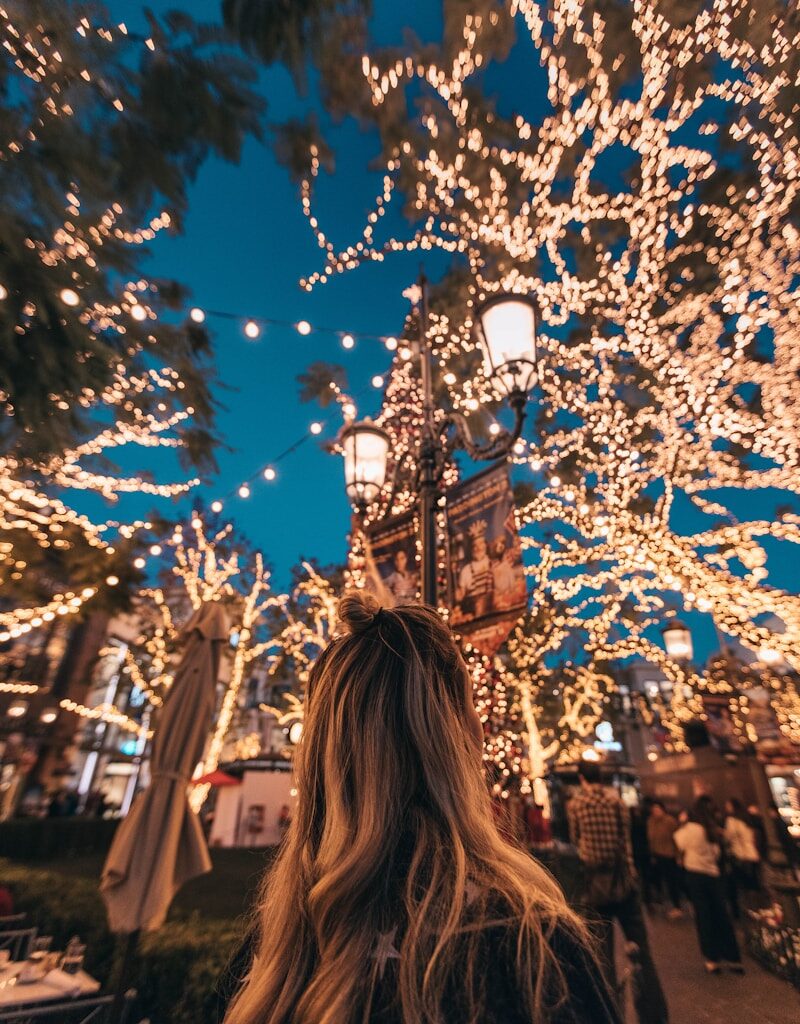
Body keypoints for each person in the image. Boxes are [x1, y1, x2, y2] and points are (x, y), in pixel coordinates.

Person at [223, 592, 619, 1024]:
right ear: (453, 737)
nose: (482, 728)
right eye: (472, 706)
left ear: (322, 755)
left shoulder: (271, 955)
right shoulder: (530, 947)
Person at [568, 761, 668, 1024]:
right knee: (642, 951)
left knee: (603, 957)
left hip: (596, 886)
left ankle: (610, 1013)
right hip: (623, 882)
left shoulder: (576, 805)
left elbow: (577, 842)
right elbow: (626, 842)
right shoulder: (617, 803)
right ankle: (654, 1014)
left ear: (581, 778)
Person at [674, 796, 743, 974]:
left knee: (703, 916)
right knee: (722, 914)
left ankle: (712, 958)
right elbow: (719, 851)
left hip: (695, 875)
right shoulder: (713, 830)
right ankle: (733, 956)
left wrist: (682, 823)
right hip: (714, 874)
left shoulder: (691, 829)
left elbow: (679, 842)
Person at [723, 797, 761, 916]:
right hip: (753, 854)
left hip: (739, 855)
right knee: (753, 884)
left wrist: (722, 833)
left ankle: (743, 911)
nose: (726, 807)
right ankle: (756, 909)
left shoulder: (732, 820)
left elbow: (729, 837)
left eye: (727, 805)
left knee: (738, 884)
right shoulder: (748, 818)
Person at [646, 801, 683, 918]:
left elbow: (677, 838)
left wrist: (678, 856)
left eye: (658, 809)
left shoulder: (670, 821)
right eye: (654, 810)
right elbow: (650, 839)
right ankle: (660, 902)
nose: (656, 812)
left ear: (663, 810)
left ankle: (677, 906)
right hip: (656, 855)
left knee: (672, 881)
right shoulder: (650, 821)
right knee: (656, 880)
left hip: (669, 855)